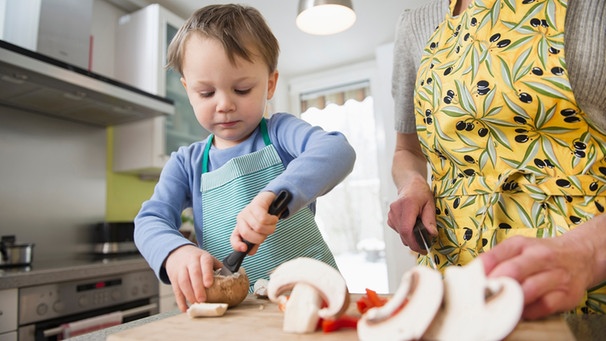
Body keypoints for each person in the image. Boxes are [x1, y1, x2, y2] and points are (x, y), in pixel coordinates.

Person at [387, 0, 606, 319]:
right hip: (453, 290)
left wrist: (588, 251)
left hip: (584, 296)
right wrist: (412, 184)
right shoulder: (415, 26)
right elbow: (407, 150)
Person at [134, 4, 356, 312]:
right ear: (188, 90)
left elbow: (337, 151)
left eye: (241, 89)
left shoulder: (280, 133)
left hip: (312, 299)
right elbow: (150, 220)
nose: (224, 104)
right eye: (207, 93)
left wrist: (272, 195)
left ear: (270, 84)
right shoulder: (187, 164)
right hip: (235, 314)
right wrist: (175, 252)